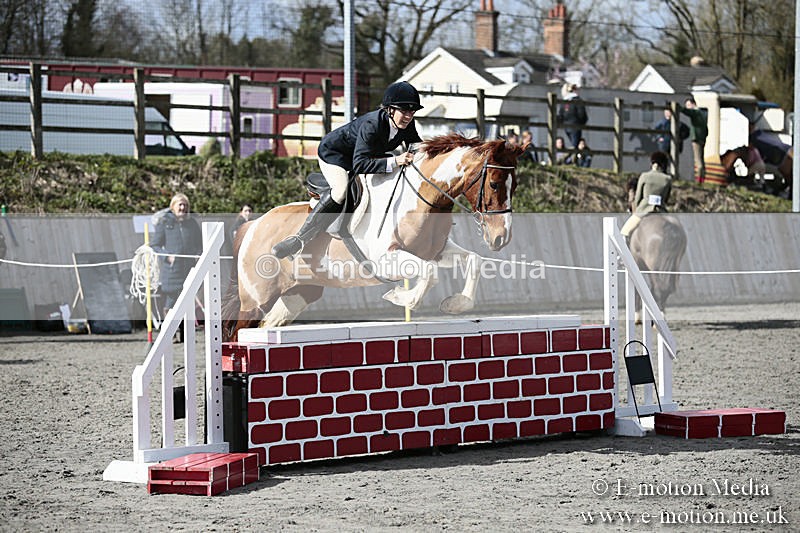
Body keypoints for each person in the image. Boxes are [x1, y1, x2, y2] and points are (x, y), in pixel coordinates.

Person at [272, 81, 423, 259]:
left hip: (363, 155)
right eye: (404, 111)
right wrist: (395, 160)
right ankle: (299, 240)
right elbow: (360, 164)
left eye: (412, 111)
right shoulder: (372, 125)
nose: (408, 116)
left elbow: (416, 145)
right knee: (341, 190)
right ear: (390, 110)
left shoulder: (407, 124)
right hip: (334, 155)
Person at [151, 193, 203, 341]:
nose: (182, 208)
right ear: (173, 207)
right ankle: (170, 333)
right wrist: (167, 257)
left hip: (189, 269)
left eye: (185, 205)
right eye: (180, 205)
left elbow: (199, 244)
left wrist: (198, 255)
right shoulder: (165, 223)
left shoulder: (192, 224)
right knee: (171, 301)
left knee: (187, 301)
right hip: (172, 270)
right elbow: (155, 245)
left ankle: (185, 334)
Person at [621, 151, 672, 243]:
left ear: (652, 163)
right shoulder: (667, 179)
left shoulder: (644, 176)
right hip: (660, 211)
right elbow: (666, 198)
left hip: (644, 210)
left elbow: (638, 197)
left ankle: (619, 256)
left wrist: (635, 210)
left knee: (624, 232)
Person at [678, 97, 708, 183]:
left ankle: (699, 180)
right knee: (701, 159)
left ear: (693, 104)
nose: (687, 107)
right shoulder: (703, 113)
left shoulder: (695, 112)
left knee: (698, 160)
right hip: (702, 138)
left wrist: (679, 108)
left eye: (688, 105)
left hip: (696, 138)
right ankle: (702, 178)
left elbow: (687, 111)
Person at [557, 83, 588, 148]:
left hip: (566, 126)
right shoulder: (578, 100)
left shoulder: (564, 101)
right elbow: (582, 114)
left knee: (573, 144)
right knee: (575, 145)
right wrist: (582, 123)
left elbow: (560, 115)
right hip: (576, 126)